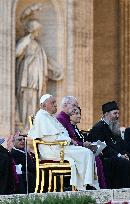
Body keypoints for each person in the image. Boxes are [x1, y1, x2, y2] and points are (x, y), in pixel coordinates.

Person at [28, 94, 97, 191]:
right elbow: (50, 138)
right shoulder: (42, 116)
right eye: (52, 103)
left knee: (86, 152)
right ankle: (85, 185)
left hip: (58, 148)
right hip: (51, 150)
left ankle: (84, 184)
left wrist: (68, 140)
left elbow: (60, 133)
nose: (56, 105)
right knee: (86, 153)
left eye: (55, 103)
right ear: (44, 106)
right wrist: (69, 140)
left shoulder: (49, 117)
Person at [16, 19, 63, 127]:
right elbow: (17, 53)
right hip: (26, 76)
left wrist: (55, 70)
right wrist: (26, 41)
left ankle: (31, 125)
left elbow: (45, 60)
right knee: (25, 100)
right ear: (32, 30)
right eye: (37, 30)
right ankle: (24, 125)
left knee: (34, 102)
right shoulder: (25, 41)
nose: (38, 32)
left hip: (36, 78)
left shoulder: (37, 45)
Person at [87, 101, 130, 188]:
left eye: (118, 113)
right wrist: (119, 155)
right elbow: (102, 148)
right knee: (123, 163)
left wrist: (125, 153)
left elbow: (121, 144)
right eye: (115, 113)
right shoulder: (98, 128)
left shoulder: (113, 128)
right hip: (103, 159)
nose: (117, 116)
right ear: (106, 114)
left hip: (115, 157)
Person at [69, 106, 106, 189]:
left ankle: (100, 186)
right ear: (69, 116)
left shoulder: (76, 129)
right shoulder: (69, 129)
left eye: (79, 114)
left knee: (100, 158)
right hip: (76, 154)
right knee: (96, 159)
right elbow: (74, 143)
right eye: (76, 114)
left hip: (84, 152)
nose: (79, 116)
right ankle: (90, 185)